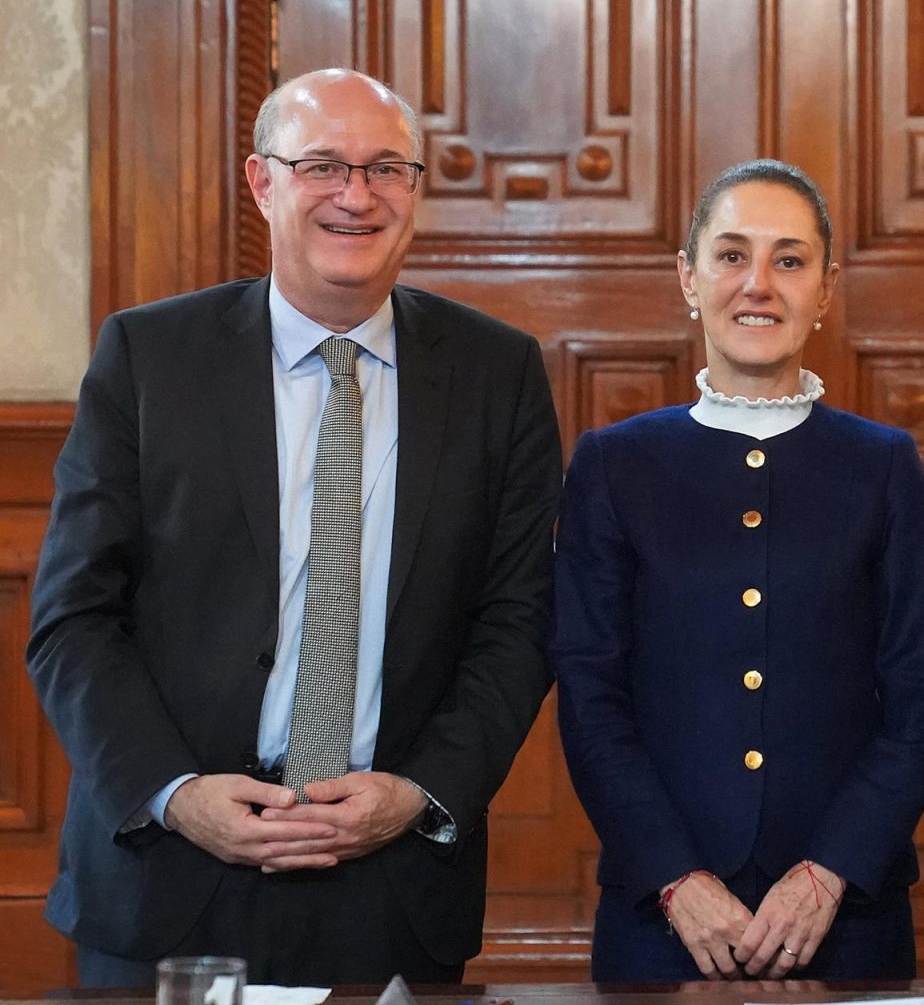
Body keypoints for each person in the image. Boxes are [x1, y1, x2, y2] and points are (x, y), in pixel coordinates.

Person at [27, 69, 562, 986]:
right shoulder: (148, 358)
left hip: (389, 882)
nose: (356, 196)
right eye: (322, 165)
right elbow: (74, 619)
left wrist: (418, 793)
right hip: (170, 878)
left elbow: (518, 624)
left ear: (416, 191)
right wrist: (176, 796)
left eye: (386, 168)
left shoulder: (497, 374)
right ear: (261, 182)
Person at [552, 159, 924, 981]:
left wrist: (828, 873)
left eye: (790, 259)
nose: (759, 285)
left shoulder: (883, 466)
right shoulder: (614, 465)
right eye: (732, 255)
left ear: (827, 287)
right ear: (689, 278)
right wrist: (674, 878)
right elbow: (591, 699)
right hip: (660, 919)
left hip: (844, 917)